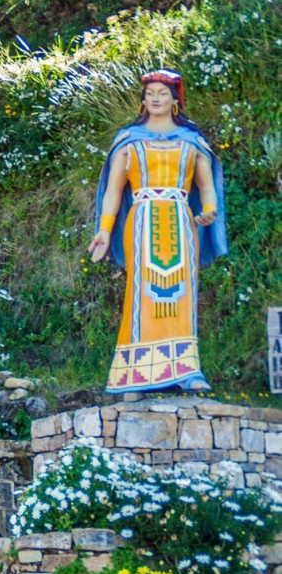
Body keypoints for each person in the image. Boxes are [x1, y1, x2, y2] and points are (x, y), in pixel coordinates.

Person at [89, 69, 226, 394]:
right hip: (141, 220)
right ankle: (136, 374)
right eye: (150, 92)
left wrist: (209, 212)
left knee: (183, 295)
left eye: (163, 92)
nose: (156, 98)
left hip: (181, 220)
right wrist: (105, 230)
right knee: (141, 294)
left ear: (175, 99)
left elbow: (207, 186)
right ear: (143, 98)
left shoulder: (191, 141)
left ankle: (188, 370)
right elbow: (112, 191)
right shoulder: (129, 140)